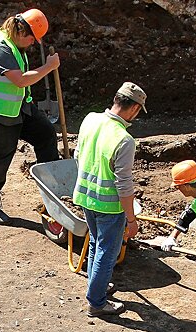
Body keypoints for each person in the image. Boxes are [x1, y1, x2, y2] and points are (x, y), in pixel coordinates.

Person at [0, 9, 61, 224]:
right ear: (22, 32)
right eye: (32, 39)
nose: (32, 43)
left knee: (46, 134)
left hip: (19, 107)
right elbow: (20, 81)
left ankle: (53, 193)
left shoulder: (15, 44)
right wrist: (49, 67)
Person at [73, 82, 147, 317]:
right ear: (134, 108)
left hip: (85, 196)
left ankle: (98, 287)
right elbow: (123, 184)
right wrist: (131, 219)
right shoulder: (124, 140)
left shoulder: (91, 119)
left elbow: (78, 155)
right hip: (108, 205)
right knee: (108, 252)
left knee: (96, 243)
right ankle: (96, 302)